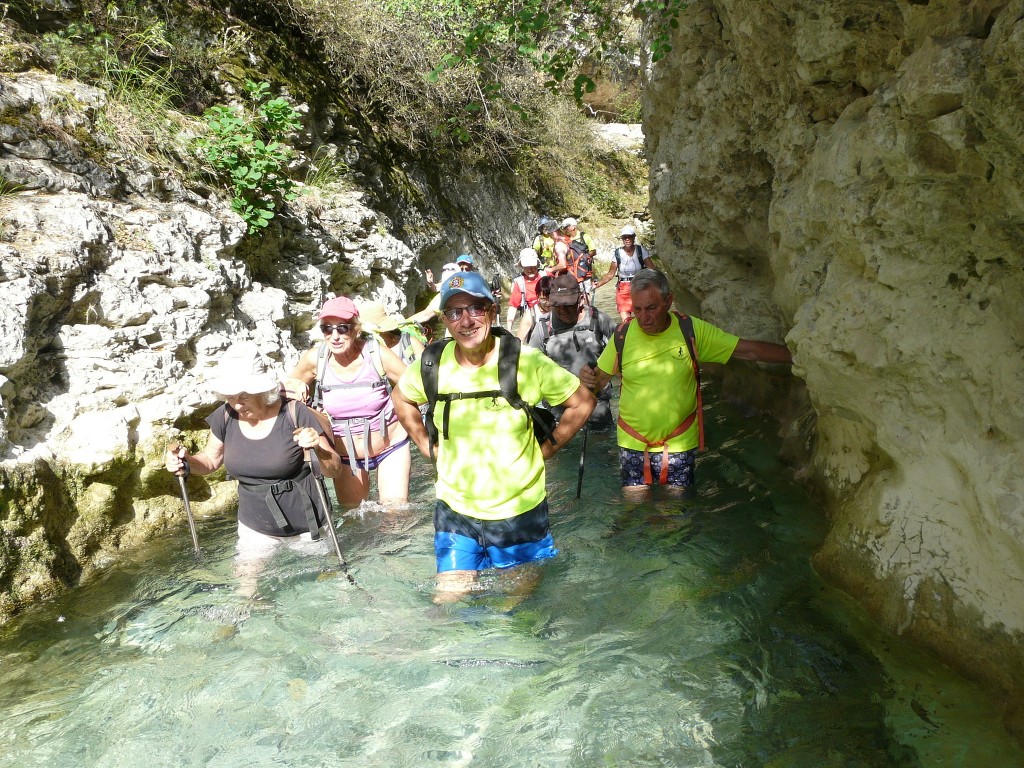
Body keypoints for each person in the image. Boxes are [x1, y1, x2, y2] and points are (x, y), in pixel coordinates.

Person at [391, 271, 596, 599]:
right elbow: (401, 398)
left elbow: (582, 402)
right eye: (454, 312)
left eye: (475, 308)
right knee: (448, 604)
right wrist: (425, 445)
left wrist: (548, 448)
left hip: (519, 512)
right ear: (445, 320)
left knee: (516, 614)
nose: (466, 320)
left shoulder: (525, 362)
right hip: (455, 510)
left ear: (492, 310)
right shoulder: (431, 364)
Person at [580, 269, 792, 500]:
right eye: (637, 309)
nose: (643, 317)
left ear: (669, 301)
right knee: (635, 511)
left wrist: (798, 356)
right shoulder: (622, 335)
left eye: (651, 308)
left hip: (678, 442)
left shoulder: (690, 330)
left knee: (675, 514)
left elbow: (747, 350)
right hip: (633, 441)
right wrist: (587, 379)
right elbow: (597, 383)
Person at [165, 340, 345, 591]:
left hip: (308, 525)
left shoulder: (295, 413)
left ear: (263, 391)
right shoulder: (225, 416)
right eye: (230, 396)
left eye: (244, 395)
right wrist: (185, 462)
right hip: (255, 527)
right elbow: (209, 461)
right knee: (246, 591)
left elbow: (334, 469)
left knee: (326, 588)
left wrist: (317, 448)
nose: (237, 403)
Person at [284, 296, 411, 509]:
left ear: (356, 329)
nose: (335, 336)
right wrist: (292, 390)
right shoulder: (314, 359)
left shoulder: (376, 353)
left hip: (391, 446)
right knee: (354, 520)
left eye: (342, 328)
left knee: (396, 516)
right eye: (327, 329)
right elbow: (284, 396)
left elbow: (414, 386)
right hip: (344, 454)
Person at [530, 274, 617, 427]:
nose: (562, 310)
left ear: (581, 299)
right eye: (557, 305)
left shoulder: (598, 320)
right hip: (558, 412)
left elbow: (623, 355)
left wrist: (601, 373)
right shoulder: (543, 328)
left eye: (568, 305)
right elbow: (530, 369)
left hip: (597, 408)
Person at [593, 225, 656, 321]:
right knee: (626, 320)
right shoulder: (618, 253)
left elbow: (652, 269)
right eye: (624, 237)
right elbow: (610, 274)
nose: (627, 239)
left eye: (629, 236)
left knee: (643, 316)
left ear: (634, 237)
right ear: (622, 239)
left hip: (639, 285)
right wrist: (597, 285)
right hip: (623, 288)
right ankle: (629, 333)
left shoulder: (640, 250)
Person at [505, 247, 543, 332]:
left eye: (532, 265)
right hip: (533, 324)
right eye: (526, 266)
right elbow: (513, 306)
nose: (530, 269)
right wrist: (509, 330)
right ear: (521, 266)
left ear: (537, 264)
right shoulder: (519, 283)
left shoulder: (546, 276)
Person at [560, 217, 597, 300]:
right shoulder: (565, 240)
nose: (564, 229)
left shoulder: (584, 237)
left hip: (585, 273)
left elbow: (593, 251)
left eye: (566, 227)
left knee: (586, 295)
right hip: (571, 273)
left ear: (573, 227)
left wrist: (585, 257)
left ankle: (587, 310)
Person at [516, 274, 553, 343]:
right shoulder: (531, 314)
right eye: (544, 299)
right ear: (537, 296)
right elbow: (519, 341)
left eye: (551, 299)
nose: (548, 303)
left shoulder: (560, 309)